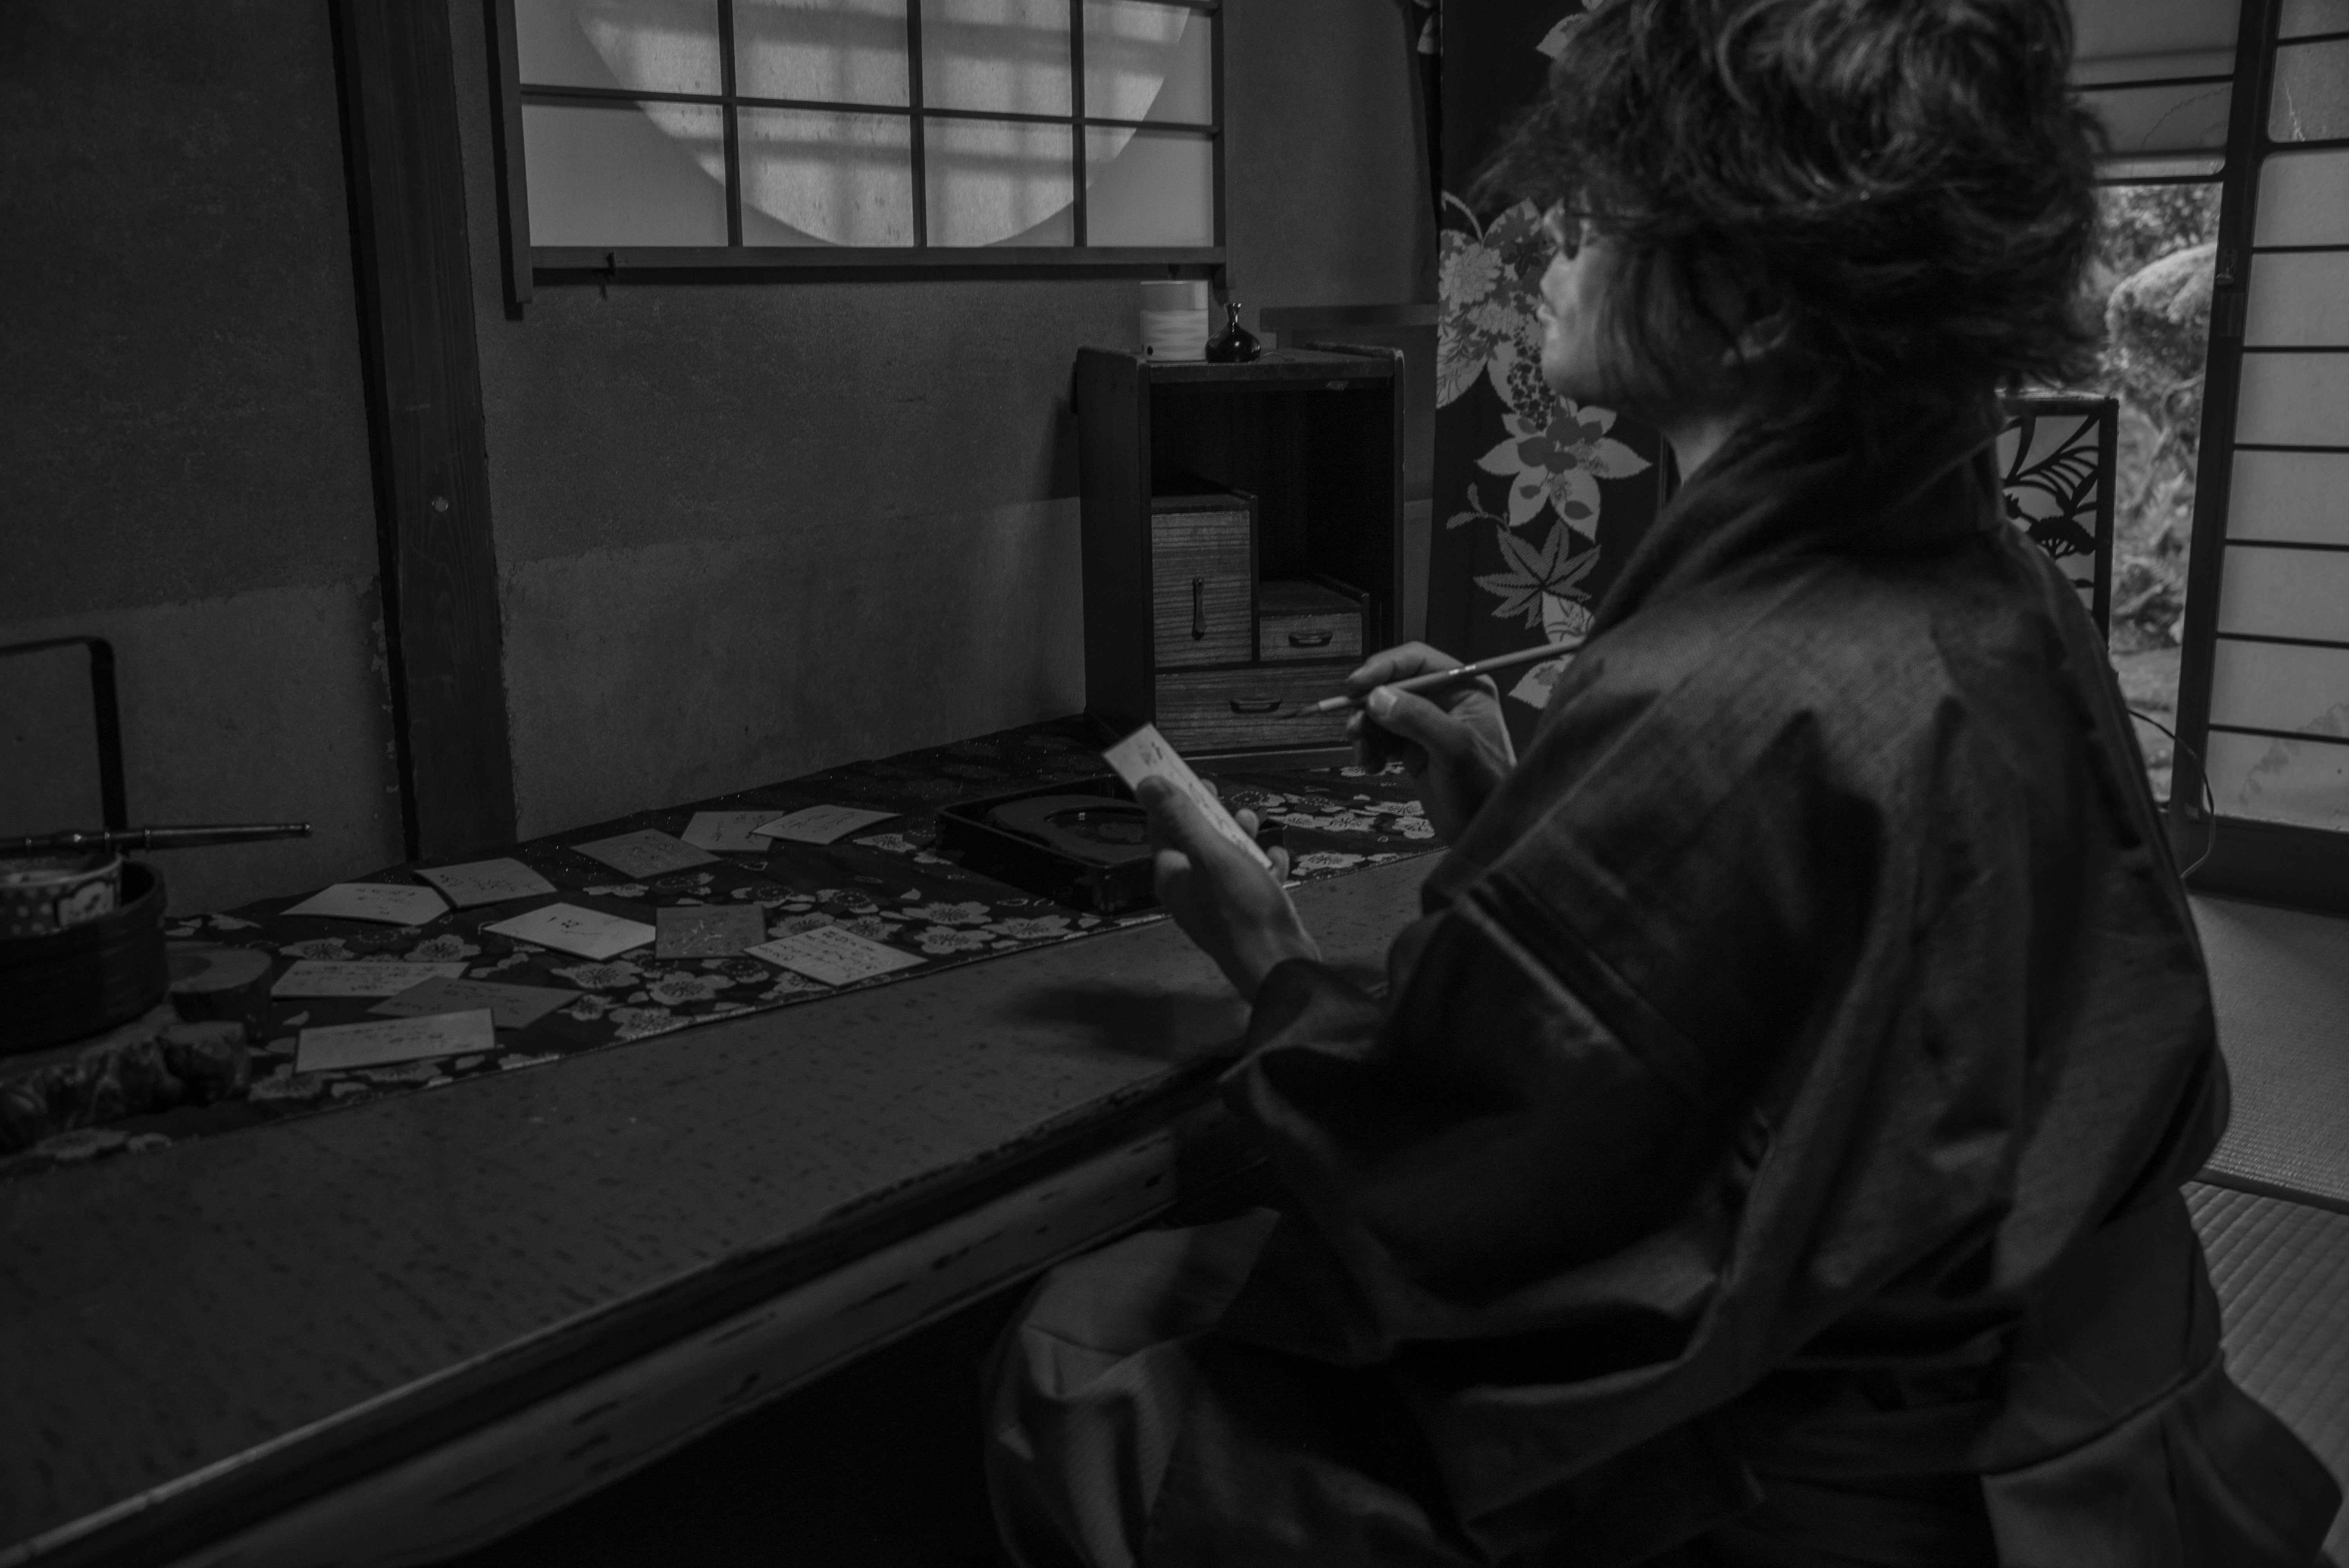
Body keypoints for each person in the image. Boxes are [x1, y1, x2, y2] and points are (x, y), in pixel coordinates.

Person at [984, 0, 2345, 1561]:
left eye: (1607, 202)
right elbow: (1834, 999)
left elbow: (1456, 1178)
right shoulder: (2003, 587)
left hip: (1842, 1486)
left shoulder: (1722, 698)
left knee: (1081, 1353)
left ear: (1755, 296)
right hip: (2083, 1378)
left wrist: (1270, 959)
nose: (1556, 231)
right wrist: (1530, 818)